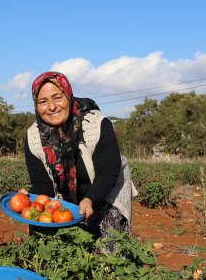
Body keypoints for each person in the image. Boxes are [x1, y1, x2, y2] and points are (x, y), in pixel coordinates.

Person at [24, 71, 137, 242]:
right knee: (45, 239)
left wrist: (90, 199)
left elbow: (107, 175)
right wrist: (29, 199)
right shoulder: (33, 137)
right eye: (43, 102)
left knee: (110, 247)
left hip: (107, 190)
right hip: (66, 197)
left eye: (57, 98)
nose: (52, 107)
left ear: (68, 96)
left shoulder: (96, 124)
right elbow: (43, 183)